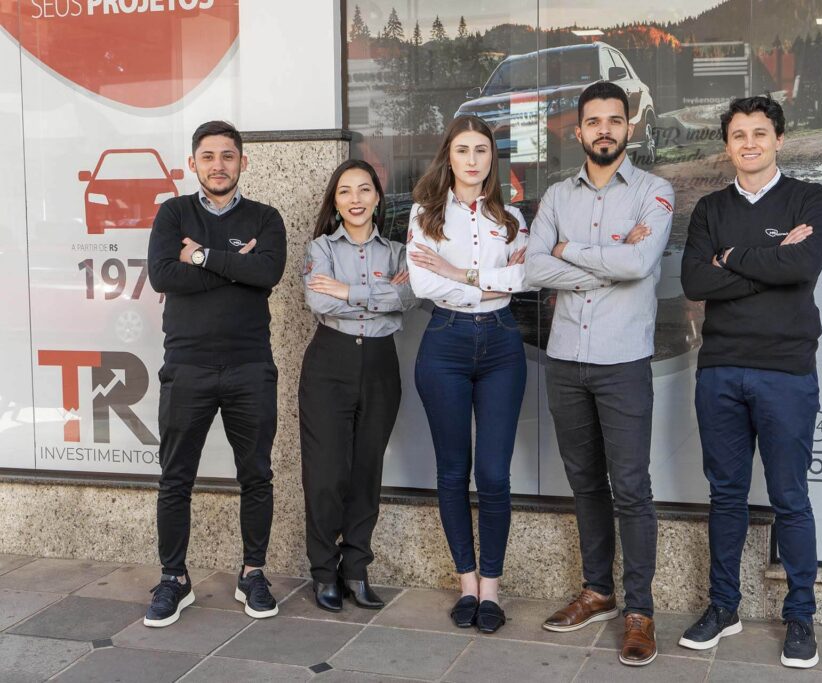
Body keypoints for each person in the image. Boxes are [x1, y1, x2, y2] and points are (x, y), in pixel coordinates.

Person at [679, 94, 822, 669]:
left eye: (760, 133)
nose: (749, 143)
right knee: (725, 496)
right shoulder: (709, 209)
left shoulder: (809, 198)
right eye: (739, 134)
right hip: (719, 368)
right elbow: (694, 282)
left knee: (790, 498)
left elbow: (802, 267)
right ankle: (724, 606)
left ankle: (801, 615)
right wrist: (767, 259)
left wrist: (732, 260)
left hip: (786, 372)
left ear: (779, 140)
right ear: (727, 145)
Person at [525, 81, 674, 667]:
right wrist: (602, 260)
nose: (605, 129)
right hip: (565, 361)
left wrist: (570, 253)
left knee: (632, 489)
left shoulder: (654, 191)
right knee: (585, 482)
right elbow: (535, 267)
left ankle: (640, 610)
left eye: (616, 119)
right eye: (594, 121)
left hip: (622, 363)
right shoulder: (557, 196)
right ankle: (598, 591)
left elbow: (641, 263)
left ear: (629, 127)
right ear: (579, 130)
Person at [145, 120, 287, 627]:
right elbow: (163, 275)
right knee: (175, 477)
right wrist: (233, 266)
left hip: (251, 366)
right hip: (187, 367)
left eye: (228, 155)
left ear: (243, 162)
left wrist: (202, 256)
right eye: (209, 156)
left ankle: (253, 574)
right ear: (194, 163)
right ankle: (173, 579)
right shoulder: (173, 212)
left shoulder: (266, 218)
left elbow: (266, 274)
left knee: (256, 475)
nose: (219, 165)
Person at [406, 114, 533, 635]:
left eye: (482, 150)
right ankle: (467, 584)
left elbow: (522, 281)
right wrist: (487, 286)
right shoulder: (425, 214)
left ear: (492, 159)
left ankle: (492, 591)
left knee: (496, 475)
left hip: (502, 345)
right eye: (463, 150)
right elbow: (421, 285)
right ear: (449, 156)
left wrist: (461, 275)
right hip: (446, 345)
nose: (473, 159)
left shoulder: (513, 218)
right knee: (453, 472)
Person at [299, 160, 416, 612]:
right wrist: (378, 296)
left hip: (381, 363)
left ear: (377, 199)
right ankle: (324, 571)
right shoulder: (321, 248)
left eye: (364, 190)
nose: (355, 200)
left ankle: (356, 569)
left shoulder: (398, 253)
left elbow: (410, 296)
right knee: (327, 474)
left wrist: (349, 292)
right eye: (345, 191)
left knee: (367, 470)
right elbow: (317, 298)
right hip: (330, 361)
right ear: (335, 200)